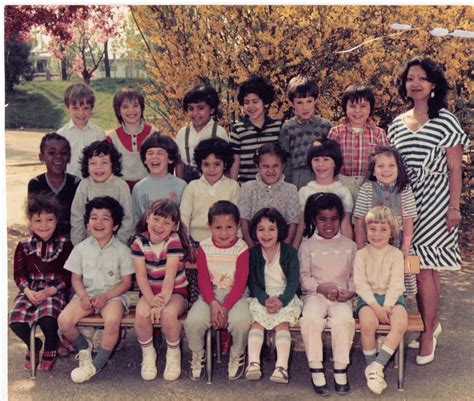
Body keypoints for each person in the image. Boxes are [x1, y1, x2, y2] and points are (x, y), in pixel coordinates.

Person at [388, 57, 469, 364]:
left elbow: (454, 168)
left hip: (437, 202)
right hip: (407, 202)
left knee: (425, 269)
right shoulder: (397, 123)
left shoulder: (446, 120)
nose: (416, 83)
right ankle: (430, 324)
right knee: (421, 268)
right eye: (411, 78)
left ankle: (426, 333)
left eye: (422, 78)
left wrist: (453, 206)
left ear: (434, 84)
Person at [58, 196, 134, 383]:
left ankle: (96, 364)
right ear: (87, 223)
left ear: (115, 226)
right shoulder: (81, 248)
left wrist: (106, 296)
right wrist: (83, 296)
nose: (98, 222)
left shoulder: (122, 250)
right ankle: (84, 349)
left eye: (105, 218)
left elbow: (126, 283)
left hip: (114, 296)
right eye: (94, 217)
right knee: (64, 321)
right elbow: (75, 278)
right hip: (87, 295)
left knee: (113, 320)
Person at [184, 201, 251, 381]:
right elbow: (203, 279)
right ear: (209, 227)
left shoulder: (242, 247)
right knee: (194, 321)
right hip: (209, 295)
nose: (223, 233)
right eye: (218, 227)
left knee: (241, 322)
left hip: (236, 296)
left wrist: (226, 307)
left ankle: (237, 354)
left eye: (229, 227)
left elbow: (241, 281)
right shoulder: (204, 247)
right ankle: (198, 354)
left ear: (237, 226)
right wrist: (213, 304)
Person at [298, 193, 356, 396]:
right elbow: (304, 277)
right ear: (314, 220)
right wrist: (319, 288)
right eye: (322, 219)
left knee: (344, 320)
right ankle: (316, 369)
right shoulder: (307, 245)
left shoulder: (349, 246)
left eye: (334, 219)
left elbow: (353, 277)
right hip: (315, 296)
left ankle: (340, 369)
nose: (329, 224)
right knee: (311, 319)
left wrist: (349, 292)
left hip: (341, 297)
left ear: (341, 219)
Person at [9, 194, 73, 372]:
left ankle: (52, 344)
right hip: (31, 291)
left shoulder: (65, 244)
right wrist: (28, 292)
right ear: (30, 222)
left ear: (57, 220)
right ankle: (35, 344)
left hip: (54, 291)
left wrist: (48, 292)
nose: (44, 225)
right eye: (38, 220)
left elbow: (68, 276)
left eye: (49, 220)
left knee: (47, 318)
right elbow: (18, 275)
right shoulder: (23, 245)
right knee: (15, 320)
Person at [131, 199, 193, 381]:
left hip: (175, 292)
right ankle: (148, 355)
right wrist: (152, 301)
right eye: (156, 219)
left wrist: (161, 304)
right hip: (150, 291)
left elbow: (170, 277)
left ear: (174, 226)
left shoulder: (173, 241)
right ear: (148, 217)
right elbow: (141, 277)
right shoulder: (139, 242)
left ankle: (173, 354)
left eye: (166, 222)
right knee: (142, 315)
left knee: (167, 314)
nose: (159, 226)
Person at [354, 206, 407, 395]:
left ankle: (377, 366)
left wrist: (387, 306)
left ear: (392, 232)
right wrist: (376, 307)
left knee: (400, 323)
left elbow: (397, 285)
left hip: (391, 299)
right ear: (366, 231)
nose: (377, 234)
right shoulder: (361, 254)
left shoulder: (396, 255)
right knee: (367, 324)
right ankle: (372, 369)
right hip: (368, 300)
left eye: (383, 229)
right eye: (373, 229)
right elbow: (360, 285)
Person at [245, 208, 302, 384]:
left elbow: (293, 282)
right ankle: (253, 363)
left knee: (281, 324)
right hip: (262, 296)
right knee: (257, 323)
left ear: (280, 231)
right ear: (254, 232)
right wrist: (264, 299)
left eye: (271, 229)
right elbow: (253, 283)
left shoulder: (289, 252)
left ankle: (281, 367)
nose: (266, 234)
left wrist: (281, 300)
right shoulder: (253, 253)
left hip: (285, 297)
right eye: (261, 229)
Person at [328, 84, 388, 202]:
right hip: (341, 185)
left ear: (371, 108)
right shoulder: (336, 132)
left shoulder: (378, 134)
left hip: (369, 186)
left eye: (363, 106)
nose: (357, 111)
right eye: (352, 106)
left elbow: (385, 162)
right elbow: (329, 161)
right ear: (345, 108)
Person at [70, 140, 133, 246]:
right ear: (87, 166)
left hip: (115, 243)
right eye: (93, 163)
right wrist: (77, 245)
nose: (98, 167)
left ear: (113, 165)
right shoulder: (84, 185)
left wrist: (118, 243)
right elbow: (77, 216)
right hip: (89, 243)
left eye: (104, 162)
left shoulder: (120, 186)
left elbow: (127, 219)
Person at [293, 138, 353, 247]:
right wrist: (294, 249)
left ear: (336, 163)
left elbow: (345, 224)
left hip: (336, 247)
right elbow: (301, 225)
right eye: (316, 159)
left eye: (326, 159)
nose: (320, 164)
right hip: (310, 247)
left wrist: (350, 249)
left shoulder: (343, 191)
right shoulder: (304, 191)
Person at [238, 143, 300, 246]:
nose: (270, 170)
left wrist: (283, 250)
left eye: (275, 166)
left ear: (283, 166)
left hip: (281, 245)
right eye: (265, 166)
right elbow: (244, 221)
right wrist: (252, 249)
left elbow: (292, 223)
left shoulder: (290, 190)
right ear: (258, 166)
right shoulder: (247, 188)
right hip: (254, 245)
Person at [180, 137, 239, 243]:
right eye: (206, 164)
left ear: (225, 164)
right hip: (196, 242)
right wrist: (187, 244)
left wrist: (235, 244)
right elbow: (184, 218)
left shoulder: (233, 187)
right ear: (200, 165)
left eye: (217, 164)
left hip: (226, 242)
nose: (211, 169)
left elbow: (238, 219)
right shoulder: (192, 187)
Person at [278, 75, 332, 189]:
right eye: (300, 102)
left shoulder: (325, 126)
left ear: (315, 100)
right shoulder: (288, 128)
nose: (305, 107)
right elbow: (285, 160)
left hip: (321, 175)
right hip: (297, 177)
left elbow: (332, 156)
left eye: (309, 101)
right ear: (292, 103)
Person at [230, 76, 282, 183]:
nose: (250, 106)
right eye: (246, 102)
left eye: (255, 101)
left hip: (273, 185)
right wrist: (233, 186)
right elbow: (235, 162)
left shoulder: (277, 127)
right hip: (245, 186)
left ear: (266, 103)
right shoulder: (238, 130)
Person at [28, 132, 81, 237]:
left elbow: (79, 218)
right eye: (52, 153)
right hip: (44, 238)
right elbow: (34, 218)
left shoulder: (76, 183)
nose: (58, 156)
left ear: (69, 157)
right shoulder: (35, 184)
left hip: (72, 241)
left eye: (63, 153)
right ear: (41, 157)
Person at [175, 84, 229, 182]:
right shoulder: (182, 134)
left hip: (214, 184)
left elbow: (226, 166)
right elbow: (180, 164)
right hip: (189, 185)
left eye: (201, 108)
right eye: (191, 108)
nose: (195, 113)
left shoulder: (219, 132)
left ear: (212, 109)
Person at [106, 86, 157, 190]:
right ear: (118, 111)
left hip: (150, 187)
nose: (131, 110)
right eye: (125, 107)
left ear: (142, 108)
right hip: (121, 190)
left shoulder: (153, 133)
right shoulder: (112, 138)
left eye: (135, 105)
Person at [131, 133, 186, 226]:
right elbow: (135, 219)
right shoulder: (139, 187)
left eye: (160, 152)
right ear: (144, 159)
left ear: (170, 159)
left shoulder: (181, 186)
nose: (154, 157)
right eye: (150, 153)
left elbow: (183, 219)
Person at [57, 83, 106, 178]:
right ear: (68, 107)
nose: (81, 113)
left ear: (92, 108)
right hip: (70, 185)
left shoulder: (99, 133)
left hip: (93, 184)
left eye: (86, 108)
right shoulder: (61, 135)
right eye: (75, 108)